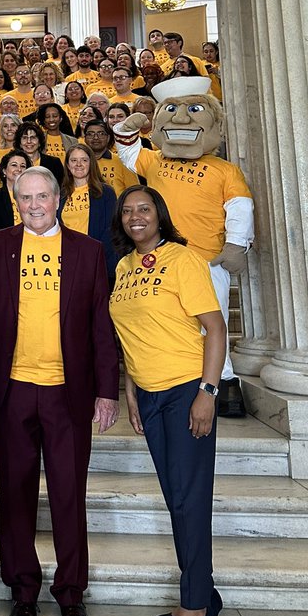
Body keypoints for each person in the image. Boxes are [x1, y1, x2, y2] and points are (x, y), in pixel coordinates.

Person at [0, 168, 119, 616]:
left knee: (69, 496)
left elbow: (101, 324)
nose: (34, 205)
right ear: (17, 202)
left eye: (42, 196)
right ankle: (23, 593)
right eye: (26, 197)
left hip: (67, 392)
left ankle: (71, 595)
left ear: (58, 200)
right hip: (11, 388)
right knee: (14, 494)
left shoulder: (88, 251)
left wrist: (107, 390)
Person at [110, 186, 226, 616]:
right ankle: (204, 593)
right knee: (177, 496)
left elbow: (215, 328)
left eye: (144, 209)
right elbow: (131, 335)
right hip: (151, 394)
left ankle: (195, 604)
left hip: (185, 390)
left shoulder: (182, 259)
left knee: (188, 500)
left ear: (160, 214)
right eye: (128, 211)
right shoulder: (123, 268)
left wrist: (208, 392)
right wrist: (132, 392)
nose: (136, 217)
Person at [111, 75, 254, 416]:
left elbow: (239, 206)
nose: (181, 119)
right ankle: (175, 381)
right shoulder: (155, 160)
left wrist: (236, 245)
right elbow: (129, 151)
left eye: (193, 110)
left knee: (211, 322)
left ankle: (224, 385)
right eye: (172, 111)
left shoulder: (224, 169)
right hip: (160, 261)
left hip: (206, 259)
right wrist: (128, 125)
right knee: (174, 324)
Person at [59, 144, 117, 285]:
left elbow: (110, 229)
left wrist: (90, 256)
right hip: (67, 261)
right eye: (73, 160)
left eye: (84, 160)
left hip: (97, 260)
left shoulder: (106, 192)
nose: (79, 164)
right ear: (67, 165)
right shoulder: (60, 194)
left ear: (91, 163)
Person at [0, 149, 28, 231]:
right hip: (7, 242)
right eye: (14, 165)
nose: (19, 169)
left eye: (23, 166)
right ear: (4, 171)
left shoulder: (33, 194)